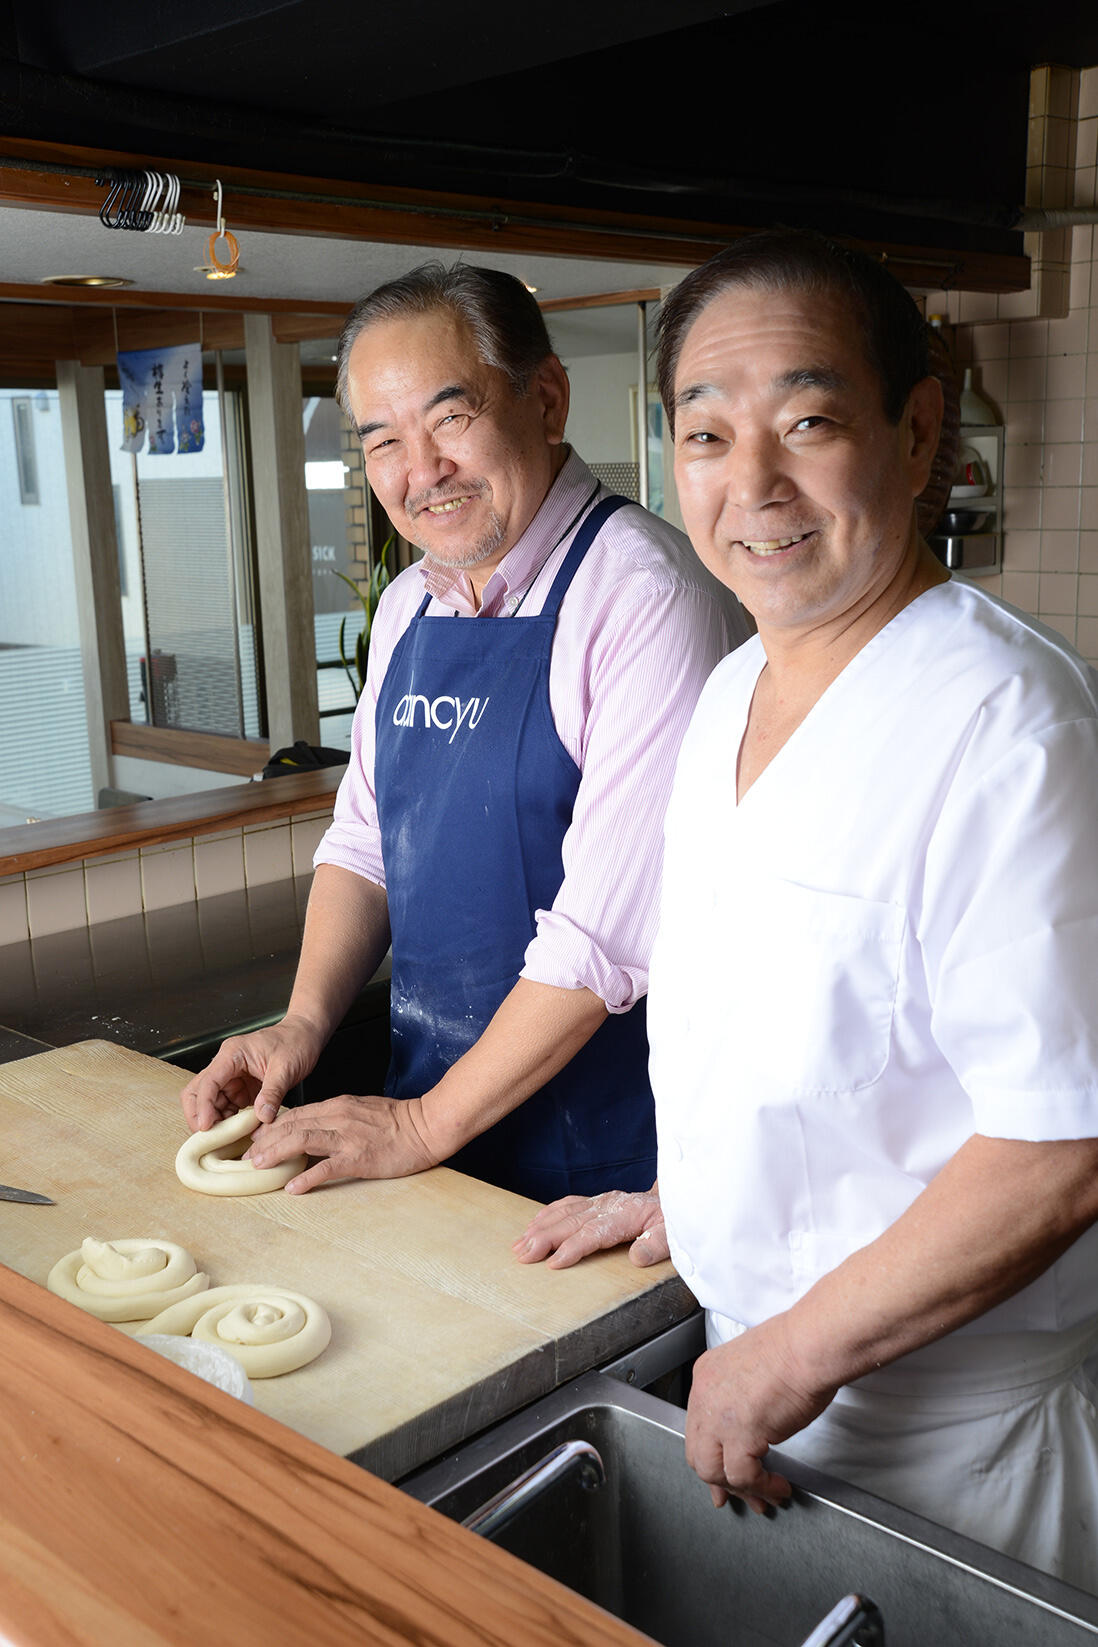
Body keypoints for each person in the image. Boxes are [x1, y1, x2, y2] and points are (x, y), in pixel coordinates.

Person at [515, 229, 1098, 1586]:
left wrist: (786, 1349)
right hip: (763, 1400)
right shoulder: (731, 691)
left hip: (954, 1458)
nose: (752, 483)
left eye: (809, 419)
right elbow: (801, 1018)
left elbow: (1058, 1142)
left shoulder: (1007, 723)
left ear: (915, 431)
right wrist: (700, 1193)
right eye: (706, 435)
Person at [181, 262, 748, 1203]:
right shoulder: (408, 606)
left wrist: (418, 1124)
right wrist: (303, 1022)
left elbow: (601, 938)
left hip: (604, 1167)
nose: (422, 471)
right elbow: (366, 843)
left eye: (452, 418)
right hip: (439, 1151)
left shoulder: (645, 598)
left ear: (548, 399)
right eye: (383, 441)